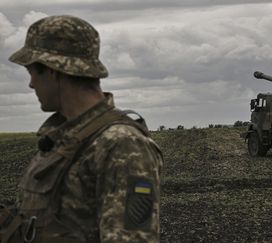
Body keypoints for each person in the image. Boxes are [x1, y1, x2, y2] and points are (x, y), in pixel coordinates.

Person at [1, 15, 163, 242]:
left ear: (52, 70)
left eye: (32, 73)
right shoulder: (62, 139)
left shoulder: (122, 145)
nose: (31, 84)